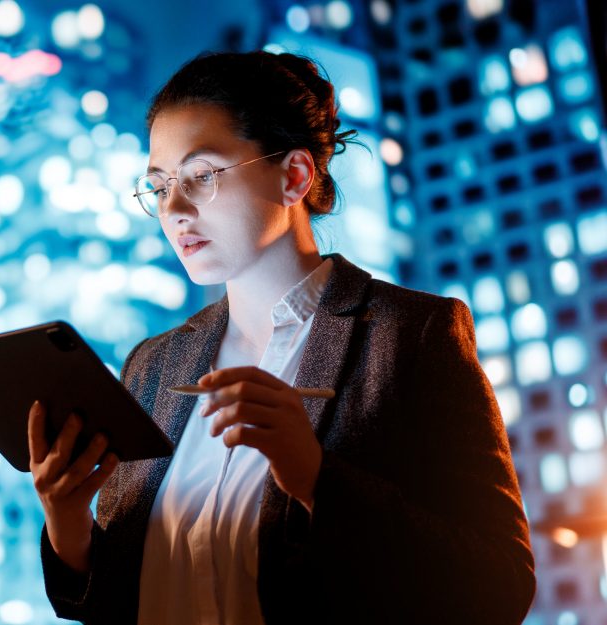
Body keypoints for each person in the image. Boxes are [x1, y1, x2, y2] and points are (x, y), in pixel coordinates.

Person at [27, 50, 536, 624]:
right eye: (159, 185)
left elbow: (499, 585)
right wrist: (68, 527)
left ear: (294, 175)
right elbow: (126, 600)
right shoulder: (153, 366)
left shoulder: (409, 335)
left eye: (201, 176)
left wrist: (317, 478)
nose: (173, 208)